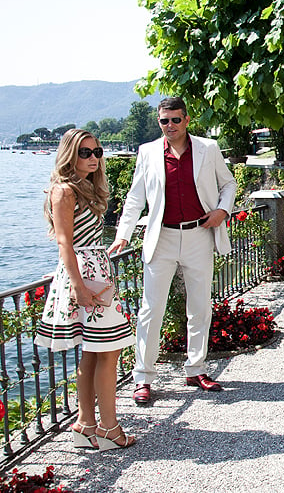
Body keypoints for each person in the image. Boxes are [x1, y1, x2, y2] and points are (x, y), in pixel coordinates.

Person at [110, 97, 237, 404]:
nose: (169, 126)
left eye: (175, 120)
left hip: (199, 234)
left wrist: (222, 211)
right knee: (150, 310)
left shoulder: (208, 149)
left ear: (187, 120)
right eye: (164, 121)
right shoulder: (147, 152)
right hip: (162, 238)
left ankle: (196, 368)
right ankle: (143, 377)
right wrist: (122, 236)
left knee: (199, 307)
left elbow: (229, 184)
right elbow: (135, 198)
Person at [36, 129, 136, 450]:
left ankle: (85, 424)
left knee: (95, 353)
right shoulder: (64, 191)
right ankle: (109, 428)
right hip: (82, 275)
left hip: (97, 270)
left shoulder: (87, 187)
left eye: (97, 152)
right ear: (69, 154)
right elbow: (64, 243)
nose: (93, 158)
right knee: (107, 351)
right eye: (85, 153)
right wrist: (78, 286)